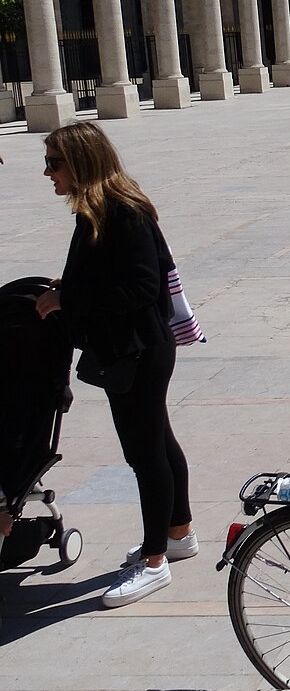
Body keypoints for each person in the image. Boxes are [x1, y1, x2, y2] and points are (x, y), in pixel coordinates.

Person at [35, 123, 196, 608]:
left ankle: (153, 564)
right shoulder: (98, 211)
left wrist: (67, 298)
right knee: (159, 442)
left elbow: (142, 288)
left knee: (144, 454)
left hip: (139, 350)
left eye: (54, 164)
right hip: (131, 347)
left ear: (81, 163)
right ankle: (178, 535)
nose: (48, 174)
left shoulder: (122, 212)